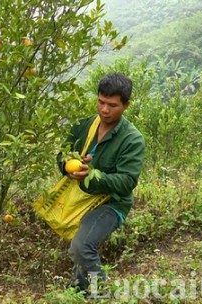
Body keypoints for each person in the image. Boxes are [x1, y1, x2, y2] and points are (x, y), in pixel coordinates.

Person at [57, 72, 145, 296]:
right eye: (101, 102)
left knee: (81, 247)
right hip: (83, 198)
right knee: (82, 247)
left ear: (126, 105)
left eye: (112, 105)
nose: (104, 110)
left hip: (112, 203)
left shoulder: (132, 139)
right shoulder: (84, 126)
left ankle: (104, 292)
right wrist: (69, 163)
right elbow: (62, 154)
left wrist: (93, 174)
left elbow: (126, 182)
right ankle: (81, 291)